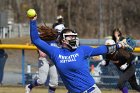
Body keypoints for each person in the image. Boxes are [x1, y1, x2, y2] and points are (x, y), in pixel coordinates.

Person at [29, 15, 129, 93]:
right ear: (63, 40)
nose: (74, 39)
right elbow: (36, 40)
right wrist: (33, 21)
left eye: (74, 37)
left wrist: (118, 45)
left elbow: (102, 49)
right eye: (71, 37)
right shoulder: (55, 53)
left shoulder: (82, 50)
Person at [101, 28, 139, 93]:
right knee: (134, 86)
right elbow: (107, 61)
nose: (108, 48)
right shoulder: (108, 54)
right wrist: (105, 63)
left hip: (129, 69)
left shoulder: (120, 51)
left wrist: (125, 64)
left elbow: (132, 56)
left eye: (110, 46)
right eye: (107, 47)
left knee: (120, 84)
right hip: (124, 70)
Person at [26, 25, 59, 93]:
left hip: (54, 61)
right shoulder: (45, 39)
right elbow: (36, 42)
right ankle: (30, 86)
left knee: (54, 83)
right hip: (44, 59)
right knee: (41, 81)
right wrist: (40, 50)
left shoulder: (58, 40)